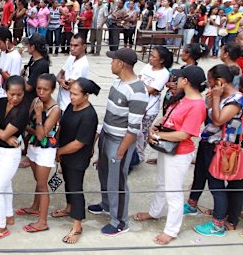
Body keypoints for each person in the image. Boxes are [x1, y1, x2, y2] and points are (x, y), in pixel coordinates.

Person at [133, 65, 207, 245]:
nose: (175, 81)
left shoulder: (197, 105)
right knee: (161, 183)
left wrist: (158, 135)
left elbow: (184, 134)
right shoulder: (182, 98)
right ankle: (155, 212)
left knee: (173, 192)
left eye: (178, 78)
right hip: (168, 148)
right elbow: (169, 118)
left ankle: (171, 230)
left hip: (179, 153)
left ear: (186, 81)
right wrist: (157, 126)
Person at [90, 48, 148, 236]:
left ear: (121, 63)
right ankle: (107, 204)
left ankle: (120, 221)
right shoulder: (118, 82)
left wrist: (121, 151)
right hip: (107, 135)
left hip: (120, 141)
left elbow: (133, 128)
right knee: (104, 173)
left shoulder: (138, 91)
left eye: (113, 60)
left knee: (118, 181)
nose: (111, 63)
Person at [188, 64, 243, 237]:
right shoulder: (222, 97)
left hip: (221, 149)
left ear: (220, 82)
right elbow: (209, 116)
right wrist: (212, 99)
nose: (209, 85)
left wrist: (216, 98)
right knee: (203, 178)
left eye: (211, 82)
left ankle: (218, 225)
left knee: (216, 186)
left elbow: (218, 120)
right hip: (209, 144)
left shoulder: (236, 101)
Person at [53, 77, 100, 244]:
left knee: (75, 188)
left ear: (86, 96)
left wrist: (60, 151)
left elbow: (79, 143)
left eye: (75, 94)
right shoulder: (72, 106)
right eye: (70, 93)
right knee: (67, 182)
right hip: (65, 153)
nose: (71, 97)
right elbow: (63, 125)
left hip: (76, 157)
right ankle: (69, 208)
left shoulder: (89, 115)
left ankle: (77, 226)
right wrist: (57, 144)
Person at [16, 74, 61, 233]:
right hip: (34, 146)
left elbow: (41, 134)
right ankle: (35, 207)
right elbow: (27, 124)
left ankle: (43, 221)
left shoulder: (55, 110)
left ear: (53, 90)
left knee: (43, 186)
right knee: (38, 180)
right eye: (39, 88)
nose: (41, 92)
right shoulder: (36, 100)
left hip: (46, 150)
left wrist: (39, 115)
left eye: (45, 89)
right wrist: (33, 129)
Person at [0, 76, 29, 241]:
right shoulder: (1, 102)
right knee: (5, 185)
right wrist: (2, 135)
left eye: (19, 94)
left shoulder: (23, 110)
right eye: (12, 94)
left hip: (11, 154)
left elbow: (3, 133)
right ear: (6, 91)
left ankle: (2, 226)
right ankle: (9, 216)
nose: (16, 98)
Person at [135, 46, 172, 164]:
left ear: (161, 60)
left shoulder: (164, 73)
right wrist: (145, 86)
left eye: (153, 56)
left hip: (149, 108)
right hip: (138, 104)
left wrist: (143, 86)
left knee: (143, 133)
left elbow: (150, 89)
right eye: (150, 55)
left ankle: (139, 155)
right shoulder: (147, 67)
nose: (150, 58)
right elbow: (138, 80)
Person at [56, 34, 89, 111]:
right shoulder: (71, 57)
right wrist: (61, 80)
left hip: (70, 105)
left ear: (84, 47)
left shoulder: (82, 64)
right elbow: (60, 73)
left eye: (76, 46)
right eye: (71, 45)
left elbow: (68, 85)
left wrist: (60, 80)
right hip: (61, 102)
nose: (72, 48)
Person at [23, 33, 50, 106]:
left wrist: (20, 79)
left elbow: (28, 87)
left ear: (33, 47)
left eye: (28, 44)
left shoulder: (41, 65)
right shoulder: (33, 59)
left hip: (33, 102)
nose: (26, 46)